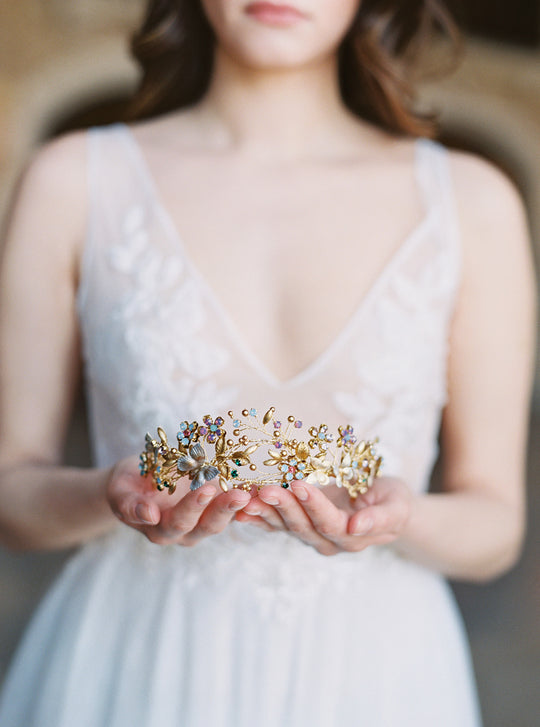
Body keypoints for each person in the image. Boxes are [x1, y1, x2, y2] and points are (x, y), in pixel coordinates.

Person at [0, 0, 536, 725]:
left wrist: (402, 516)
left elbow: (495, 523)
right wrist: (109, 492)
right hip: (141, 657)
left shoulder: (473, 203)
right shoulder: (73, 181)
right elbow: (12, 494)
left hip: (376, 670)